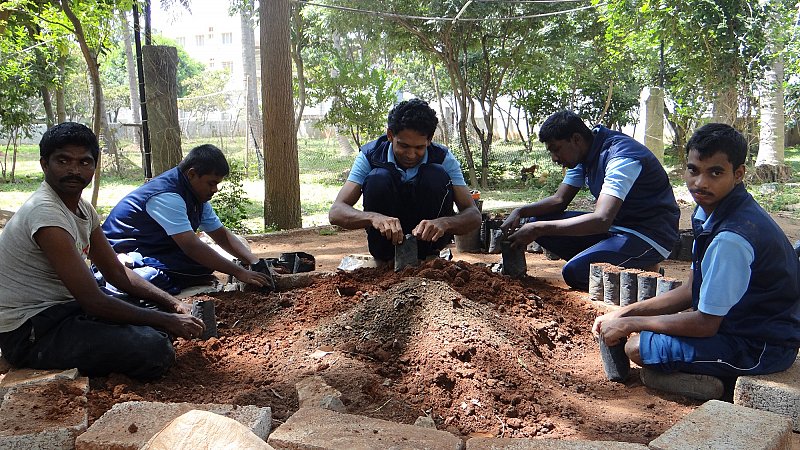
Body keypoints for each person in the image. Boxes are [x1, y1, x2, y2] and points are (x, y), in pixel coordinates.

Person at [593, 123, 800, 400]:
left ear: (738, 174)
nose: (700, 183)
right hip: (740, 325)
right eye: (694, 170)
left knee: (638, 348)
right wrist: (625, 313)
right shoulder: (709, 213)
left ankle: (716, 387)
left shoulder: (731, 238)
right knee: (645, 334)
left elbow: (705, 324)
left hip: (760, 346)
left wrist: (634, 324)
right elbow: (690, 290)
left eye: (716, 172)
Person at [0, 122, 204, 379]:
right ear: (44, 164)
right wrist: (168, 321)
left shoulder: (82, 209)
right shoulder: (46, 216)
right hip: (31, 331)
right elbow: (94, 302)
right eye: (63, 161)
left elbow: (116, 272)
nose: (74, 170)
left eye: (84, 162)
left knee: (152, 310)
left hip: (65, 310)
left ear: (94, 167)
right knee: (153, 348)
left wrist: (173, 305)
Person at [501, 110, 680, 290]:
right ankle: (615, 260)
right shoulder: (583, 154)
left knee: (575, 272)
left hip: (649, 235)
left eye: (556, 149)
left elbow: (601, 220)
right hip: (617, 228)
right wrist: (521, 212)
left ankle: (644, 268)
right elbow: (559, 200)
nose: (554, 158)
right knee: (537, 221)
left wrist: (537, 229)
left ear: (576, 139)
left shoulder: (621, 157)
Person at [102, 144, 270, 293]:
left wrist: (255, 262)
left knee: (204, 264)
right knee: (153, 278)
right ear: (191, 174)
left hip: (155, 249)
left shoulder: (196, 195)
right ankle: (118, 279)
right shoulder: (167, 196)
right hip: (122, 253)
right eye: (211, 183)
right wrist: (240, 272)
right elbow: (191, 246)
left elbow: (221, 235)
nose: (215, 189)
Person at [329, 98, 481, 262]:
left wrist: (444, 223)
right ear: (390, 135)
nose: (410, 154)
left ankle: (428, 255)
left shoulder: (443, 158)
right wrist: (373, 218)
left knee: (435, 175)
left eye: (419, 148)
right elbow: (336, 211)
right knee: (378, 179)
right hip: (385, 247)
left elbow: (473, 215)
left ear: (429, 140)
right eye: (404, 146)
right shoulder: (370, 156)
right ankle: (386, 258)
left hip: (429, 246)